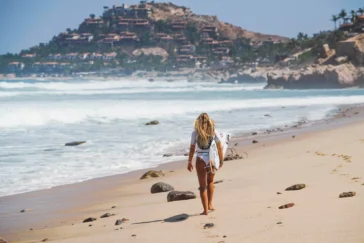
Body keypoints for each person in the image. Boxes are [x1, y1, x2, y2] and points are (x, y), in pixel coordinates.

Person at [187, 113, 224, 215]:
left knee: (202, 186)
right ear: (209, 121)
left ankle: (205, 210)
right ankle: (210, 204)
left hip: (200, 159)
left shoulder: (195, 133)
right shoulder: (213, 132)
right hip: (211, 159)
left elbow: (192, 149)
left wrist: (189, 162)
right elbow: (219, 147)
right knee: (210, 181)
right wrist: (221, 160)